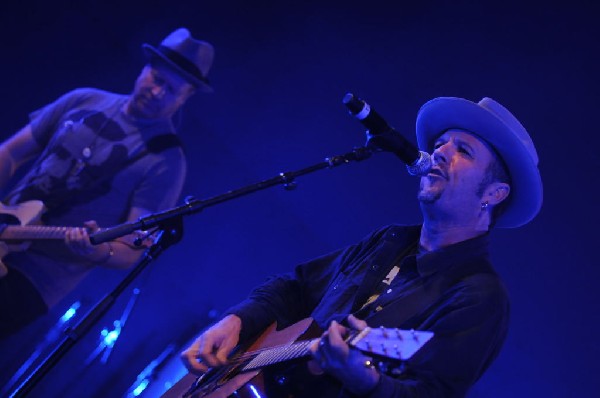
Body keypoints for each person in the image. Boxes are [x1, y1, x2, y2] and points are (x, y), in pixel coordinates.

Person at [177, 96, 543, 397]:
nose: (440, 153)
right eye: (439, 144)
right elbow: (294, 288)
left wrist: (366, 379)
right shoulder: (389, 241)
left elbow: (431, 392)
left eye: (463, 150)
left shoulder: (480, 296)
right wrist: (238, 319)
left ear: (494, 193)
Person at [0, 27, 215, 339]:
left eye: (170, 89)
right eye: (156, 78)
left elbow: (131, 249)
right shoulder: (84, 99)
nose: (157, 92)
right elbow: (10, 152)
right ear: (145, 68)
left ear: (186, 96)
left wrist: (96, 251)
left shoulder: (167, 162)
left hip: (32, 281)